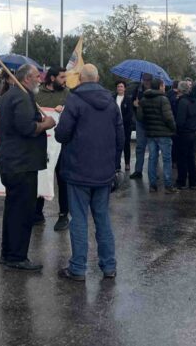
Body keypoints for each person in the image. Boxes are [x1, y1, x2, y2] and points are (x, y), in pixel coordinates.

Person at [54, 64, 122, 281]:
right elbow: (120, 137)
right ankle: (109, 266)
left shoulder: (74, 100)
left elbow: (62, 134)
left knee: (79, 219)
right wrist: (114, 165)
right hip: (104, 171)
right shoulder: (111, 102)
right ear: (98, 78)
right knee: (102, 218)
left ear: (80, 79)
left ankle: (78, 268)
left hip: (78, 170)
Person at [0, 64, 56, 271]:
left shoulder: (9, 96)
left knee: (13, 210)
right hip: (21, 164)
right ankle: (17, 256)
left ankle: (8, 253)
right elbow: (27, 128)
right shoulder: (21, 97)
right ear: (27, 78)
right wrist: (46, 124)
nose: (40, 79)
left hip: (13, 162)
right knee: (22, 212)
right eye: (37, 76)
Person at [35, 67, 70, 230]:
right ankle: (37, 213)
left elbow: (73, 114)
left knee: (62, 179)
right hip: (42, 144)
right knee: (41, 175)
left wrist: (64, 109)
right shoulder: (37, 94)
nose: (65, 80)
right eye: (62, 77)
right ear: (52, 78)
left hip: (61, 144)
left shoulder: (67, 94)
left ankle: (63, 214)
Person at [135, 75, 176, 193]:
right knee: (167, 159)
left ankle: (152, 185)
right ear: (160, 86)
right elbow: (168, 118)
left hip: (151, 133)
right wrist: (174, 128)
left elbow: (140, 117)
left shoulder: (143, 100)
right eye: (163, 85)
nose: (164, 87)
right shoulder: (163, 99)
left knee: (152, 158)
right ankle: (168, 185)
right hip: (164, 133)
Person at [173, 80, 196, 190]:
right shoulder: (193, 101)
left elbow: (180, 120)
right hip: (192, 133)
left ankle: (181, 181)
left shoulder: (182, 102)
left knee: (182, 159)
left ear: (180, 90)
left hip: (183, 134)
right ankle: (193, 181)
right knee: (191, 159)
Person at [128, 75, 150, 179]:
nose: (146, 82)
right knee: (140, 147)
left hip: (151, 122)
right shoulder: (138, 89)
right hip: (140, 121)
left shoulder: (154, 89)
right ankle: (138, 170)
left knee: (152, 149)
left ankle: (152, 171)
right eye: (144, 80)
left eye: (148, 80)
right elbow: (132, 101)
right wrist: (134, 103)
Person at [114, 81, 134, 171]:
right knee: (116, 145)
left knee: (126, 144)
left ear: (125, 88)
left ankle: (127, 163)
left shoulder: (128, 99)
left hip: (126, 126)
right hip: (114, 126)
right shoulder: (113, 98)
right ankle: (116, 164)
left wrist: (122, 121)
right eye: (118, 86)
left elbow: (130, 113)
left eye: (121, 86)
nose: (120, 88)